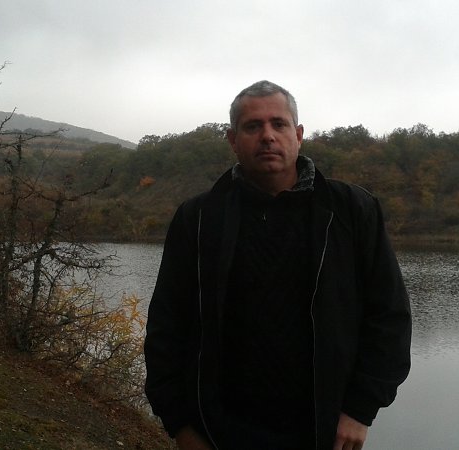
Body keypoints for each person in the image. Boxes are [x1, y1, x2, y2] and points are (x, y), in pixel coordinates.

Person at [144, 80, 411, 450]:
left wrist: (360, 410)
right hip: (219, 432)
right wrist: (181, 425)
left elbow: (389, 316)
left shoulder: (352, 210)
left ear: (298, 135)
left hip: (322, 430)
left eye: (278, 124)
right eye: (253, 126)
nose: (267, 136)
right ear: (233, 140)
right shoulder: (199, 218)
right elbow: (167, 325)